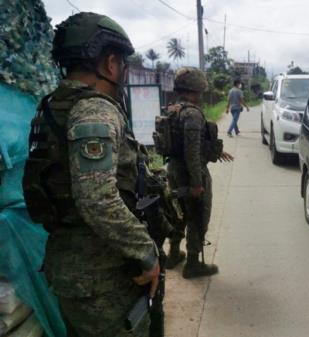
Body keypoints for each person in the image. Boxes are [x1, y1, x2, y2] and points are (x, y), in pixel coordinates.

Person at [22, 12, 159, 337]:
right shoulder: (94, 111)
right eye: (123, 65)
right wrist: (146, 251)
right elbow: (97, 199)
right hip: (104, 277)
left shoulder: (53, 106)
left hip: (74, 270)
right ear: (111, 64)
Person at [165, 67, 234, 278]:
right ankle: (193, 264)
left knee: (177, 213)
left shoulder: (173, 110)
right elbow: (192, 153)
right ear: (196, 89)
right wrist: (197, 183)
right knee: (197, 216)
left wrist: (217, 151)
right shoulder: (193, 115)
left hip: (174, 171)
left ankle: (174, 253)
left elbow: (186, 145)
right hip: (190, 173)